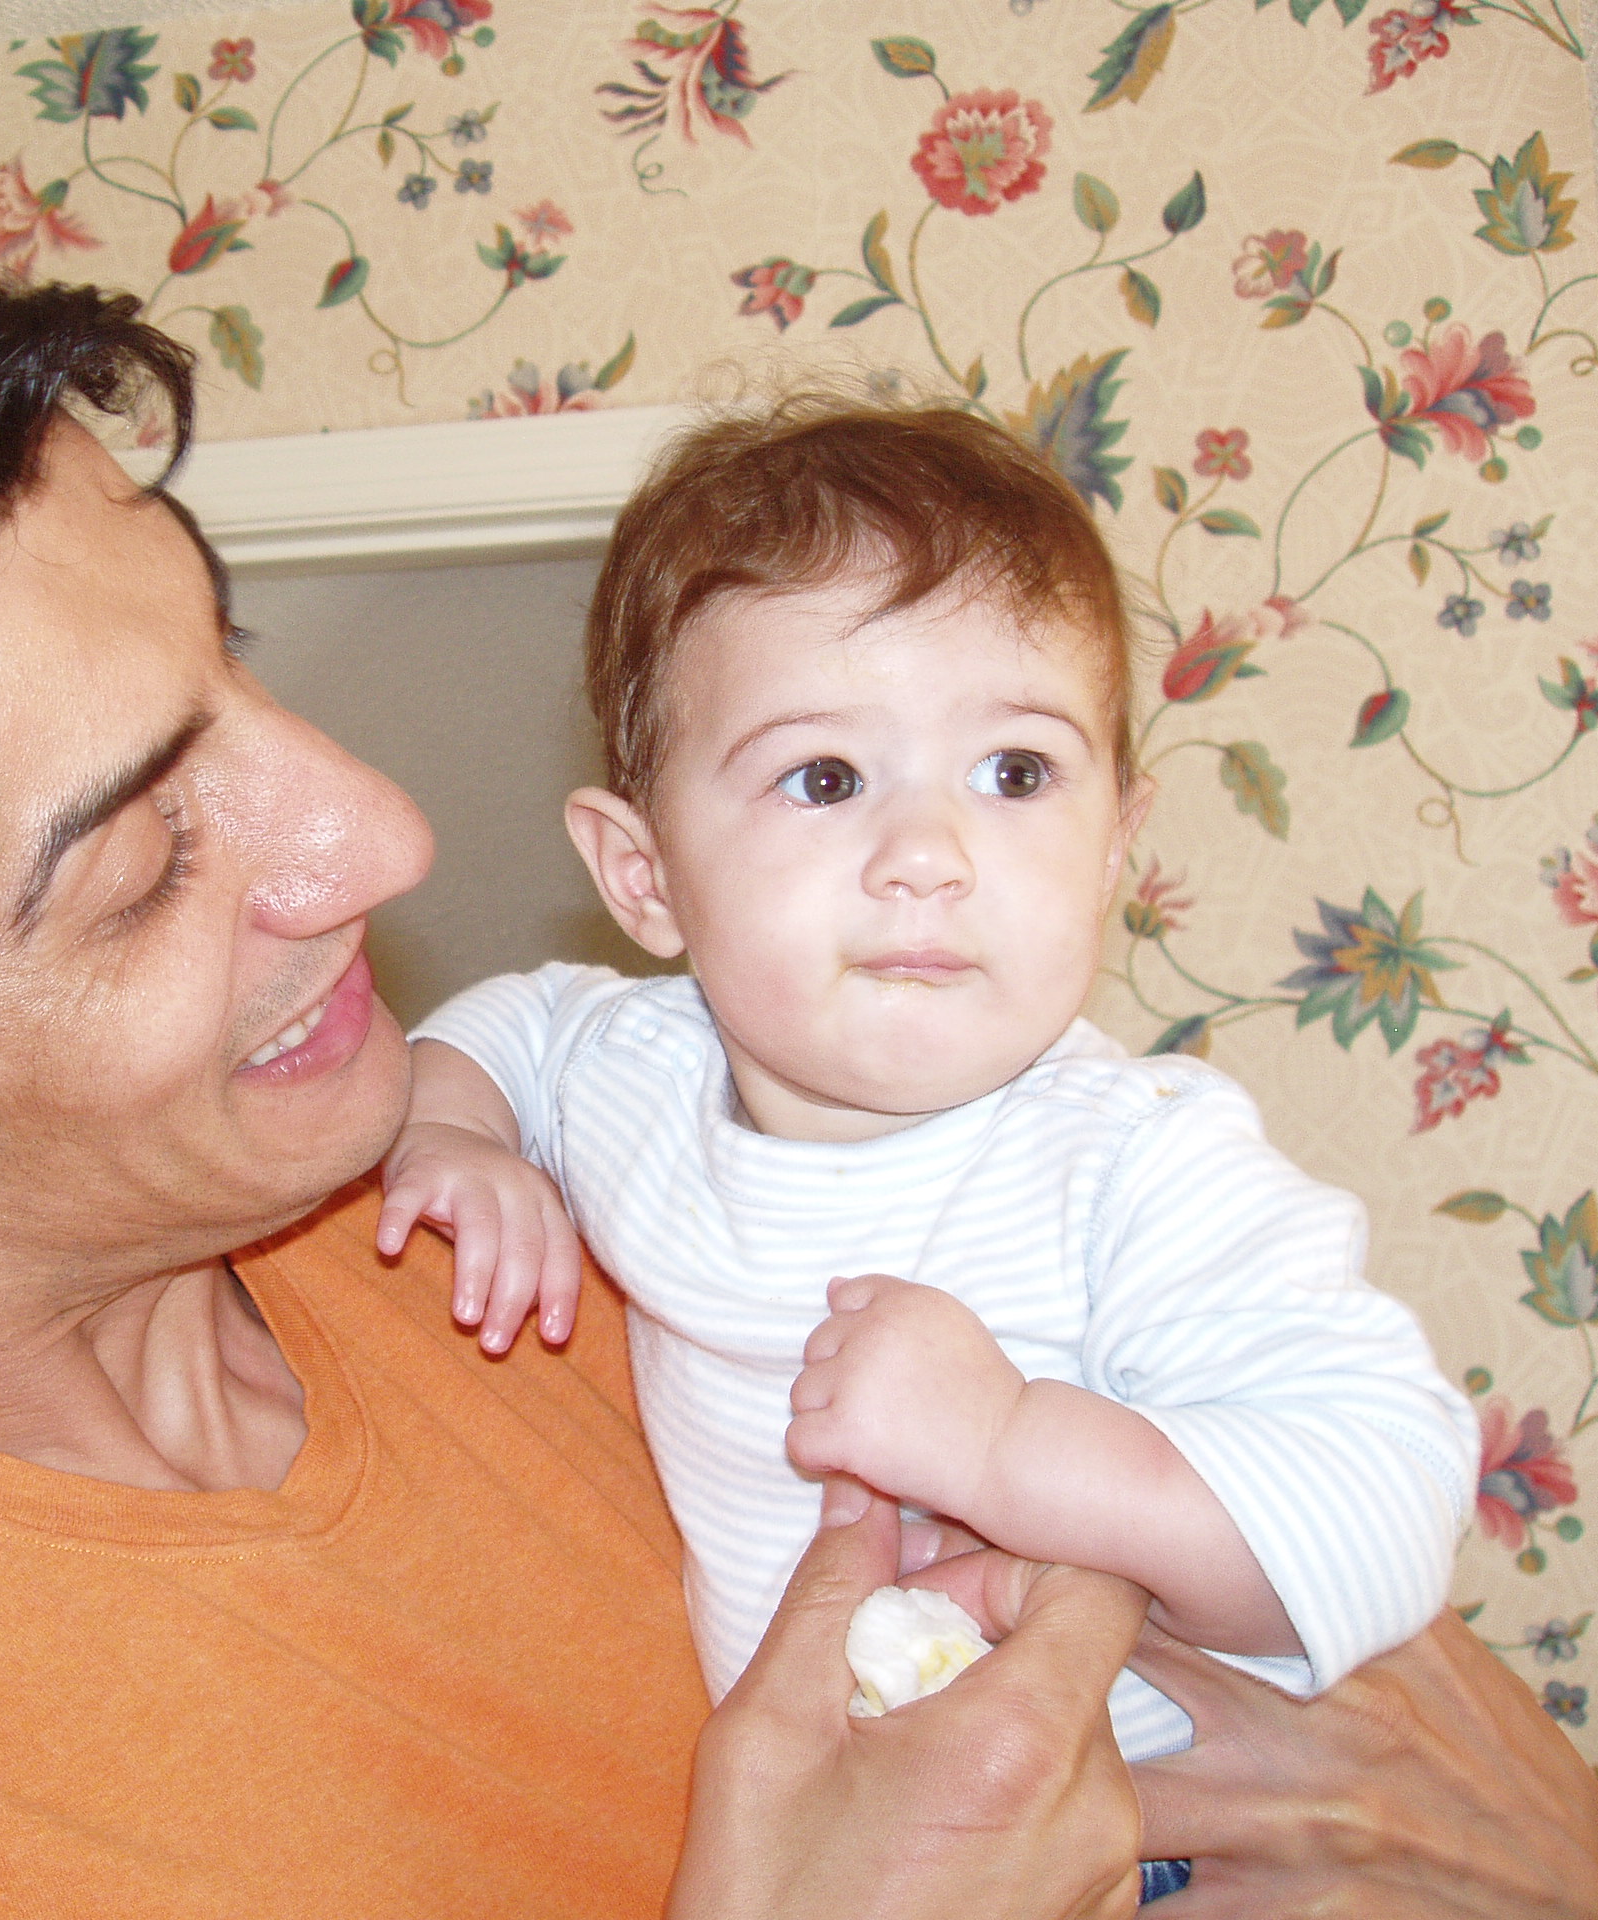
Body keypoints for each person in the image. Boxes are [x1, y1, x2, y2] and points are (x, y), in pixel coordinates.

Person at [0, 213, 1598, 1918]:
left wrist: (1543, 1857)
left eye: (225, 654)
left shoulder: (555, 1170)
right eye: (139, 854)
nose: (378, 834)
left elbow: (1401, 1726)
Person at [386, 401, 1474, 1723]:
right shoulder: (634, 1070)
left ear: (1114, 849)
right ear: (645, 875)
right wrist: (457, 1136)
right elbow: (505, 1027)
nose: (928, 854)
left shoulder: (1134, 1164)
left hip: (1130, 1807)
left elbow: (1384, 1508)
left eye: (1015, 773)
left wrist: (1010, 1447)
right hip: (810, 1805)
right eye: (826, 778)